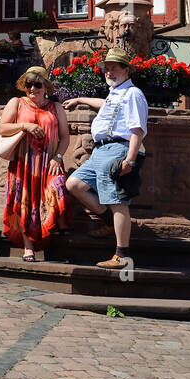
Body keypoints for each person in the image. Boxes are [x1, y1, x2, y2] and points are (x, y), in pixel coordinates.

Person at [65, 47, 148, 269]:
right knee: (74, 183)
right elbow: (106, 104)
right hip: (100, 151)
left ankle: (122, 255)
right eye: (106, 69)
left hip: (117, 150)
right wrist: (79, 99)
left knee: (116, 200)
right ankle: (110, 223)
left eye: (113, 68)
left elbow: (137, 130)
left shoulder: (133, 94)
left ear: (126, 69)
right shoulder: (116, 93)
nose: (108, 72)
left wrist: (129, 159)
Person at [0, 66, 71, 261]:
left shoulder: (57, 107)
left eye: (37, 84)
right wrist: (24, 125)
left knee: (59, 187)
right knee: (25, 202)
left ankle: (56, 230)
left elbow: (64, 137)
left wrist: (58, 157)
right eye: (29, 84)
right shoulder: (17, 103)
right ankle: (28, 247)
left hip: (50, 162)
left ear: (45, 86)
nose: (32, 89)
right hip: (24, 163)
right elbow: (2, 129)